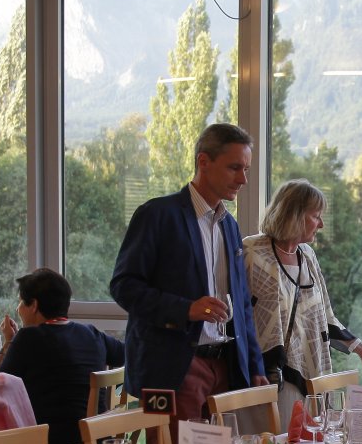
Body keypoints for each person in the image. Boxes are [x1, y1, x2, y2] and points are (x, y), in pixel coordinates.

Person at [109, 123, 267, 423]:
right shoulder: (157, 215)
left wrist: (255, 365)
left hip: (226, 368)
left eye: (246, 169)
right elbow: (123, 286)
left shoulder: (230, 226)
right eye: (234, 168)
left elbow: (242, 303)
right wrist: (186, 309)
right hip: (173, 370)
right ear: (203, 162)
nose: (243, 179)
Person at [243, 179, 362, 414]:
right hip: (267, 377)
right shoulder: (253, 252)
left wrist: (358, 347)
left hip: (310, 374)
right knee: (278, 437)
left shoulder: (307, 255)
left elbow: (324, 314)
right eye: (316, 216)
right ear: (294, 215)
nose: (321, 224)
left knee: (309, 434)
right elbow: (239, 316)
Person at [0, 268, 125, 444]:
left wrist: (9, 342)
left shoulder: (28, 338)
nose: (18, 309)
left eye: (21, 302)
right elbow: (128, 356)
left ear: (34, 305)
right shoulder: (92, 334)